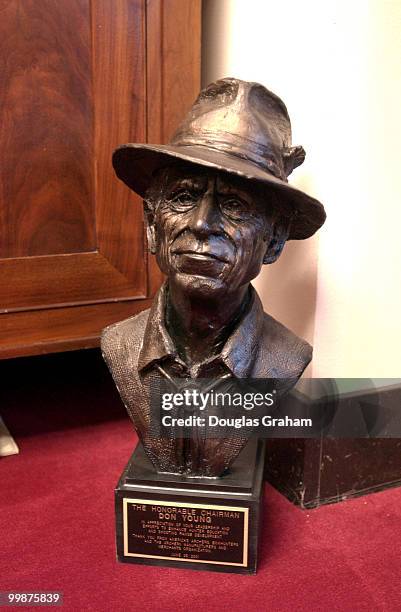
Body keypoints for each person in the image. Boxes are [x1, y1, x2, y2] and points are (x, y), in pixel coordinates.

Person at [101, 78, 326, 476]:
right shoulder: (119, 343)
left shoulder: (286, 358)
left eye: (235, 205)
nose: (202, 224)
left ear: (274, 241)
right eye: (183, 198)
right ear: (153, 225)